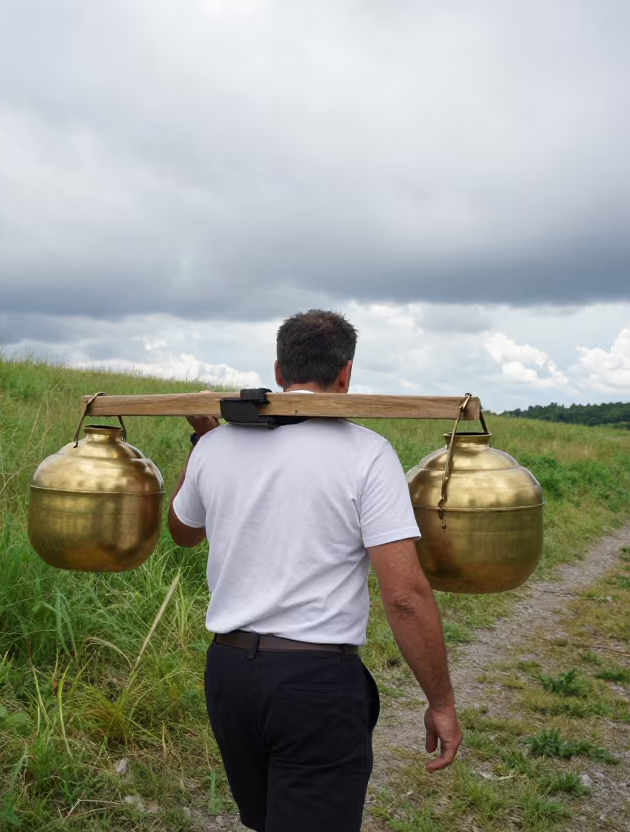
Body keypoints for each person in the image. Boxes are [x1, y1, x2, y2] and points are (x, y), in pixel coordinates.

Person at [168, 309, 462, 832]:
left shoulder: (214, 446)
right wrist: (440, 701)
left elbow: (183, 530)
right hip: (315, 685)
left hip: (229, 676)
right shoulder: (366, 453)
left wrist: (201, 445)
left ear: (278, 371)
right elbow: (405, 596)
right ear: (345, 375)